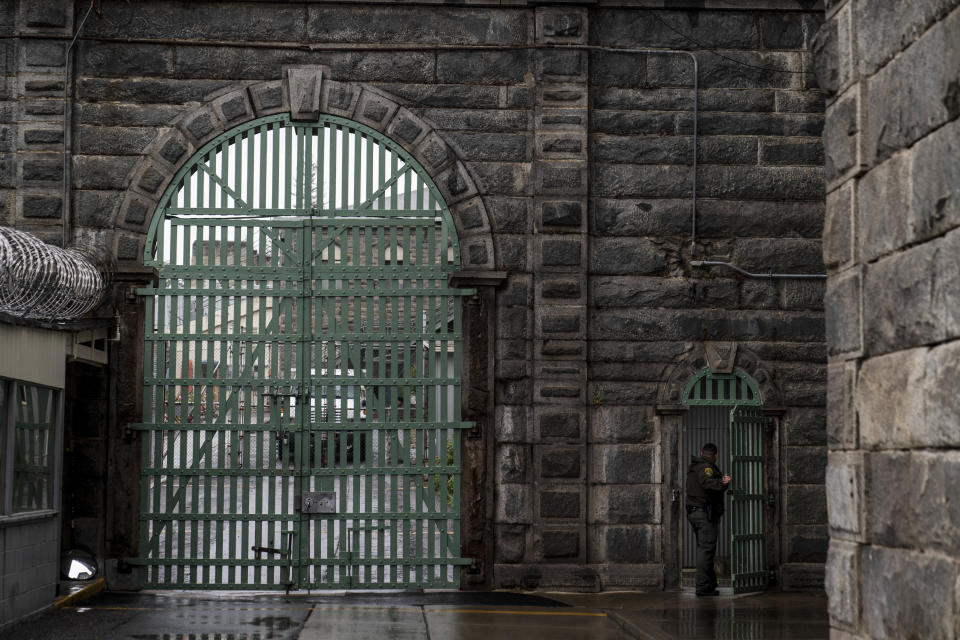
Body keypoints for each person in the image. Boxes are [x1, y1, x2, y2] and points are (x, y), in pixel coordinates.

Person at [686, 442, 731, 596]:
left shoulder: (695, 466)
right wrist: (723, 483)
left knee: (704, 549)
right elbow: (708, 484)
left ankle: (709, 585)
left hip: (695, 513)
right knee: (706, 550)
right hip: (703, 514)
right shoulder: (705, 468)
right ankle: (704, 587)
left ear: (701, 453)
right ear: (716, 455)